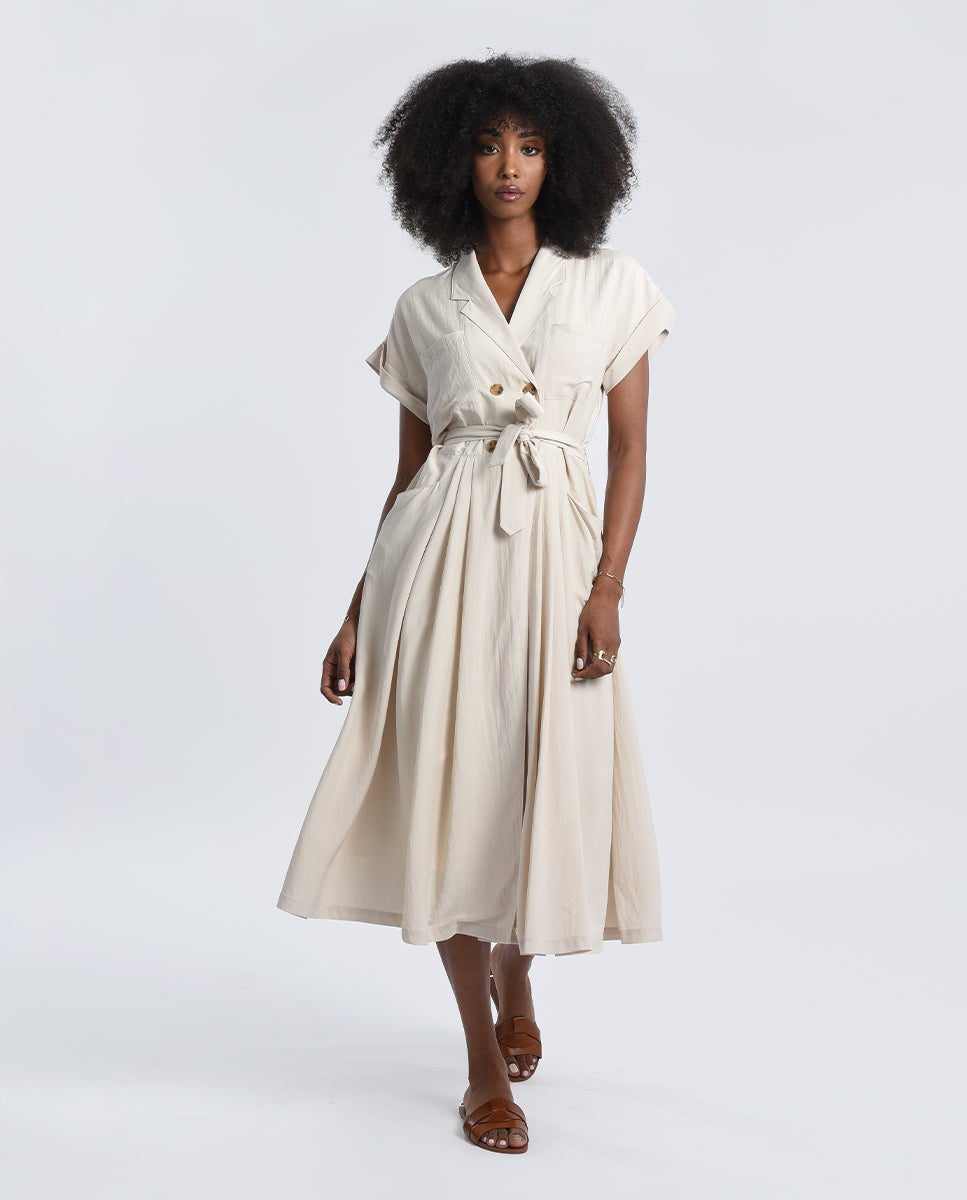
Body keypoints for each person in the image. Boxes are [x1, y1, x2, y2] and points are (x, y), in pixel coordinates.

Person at [277, 53, 676, 1155]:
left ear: (563, 160)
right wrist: (357, 611)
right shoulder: (424, 306)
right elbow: (409, 476)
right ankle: (481, 1062)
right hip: (437, 563)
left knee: (542, 780)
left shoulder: (610, 285)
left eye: (531, 145)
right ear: (450, 162)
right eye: (489, 144)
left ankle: (517, 969)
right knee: (454, 793)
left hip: (557, 562)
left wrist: (608, 588)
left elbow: (631, 452)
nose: (509, 164)